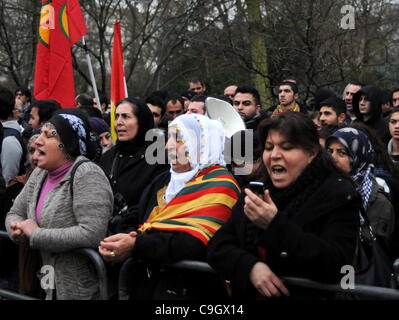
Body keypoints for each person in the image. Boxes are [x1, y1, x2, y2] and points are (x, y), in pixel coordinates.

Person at [207, 112, 361, 299]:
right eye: (269, 147)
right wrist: (250, 267)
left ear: (311, 153)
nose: (275, 156)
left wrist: (274, 225)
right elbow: (218, 246)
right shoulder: (256, 191)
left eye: (287, 148)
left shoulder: (339, 195)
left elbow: (335, 264)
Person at [99, 114, 240, 299]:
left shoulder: (221, 185)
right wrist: (127, 235)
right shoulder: (166, 180)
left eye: (178, 138)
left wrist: (136, 245)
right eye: (169, 138)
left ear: (202, 145)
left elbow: (192, 244)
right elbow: (139, 215)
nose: (167, 146)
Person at [5, 111, 113, 300]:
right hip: (47, 283)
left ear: (67, 144)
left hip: (81, 290)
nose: (38, 140)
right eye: (41, 133)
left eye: (49, 135)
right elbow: (15, 212)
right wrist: (16, 229)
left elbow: (92, 233)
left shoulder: (87, 174)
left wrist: (36, 235)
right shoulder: (39, 173)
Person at [99, 98, 168, 233]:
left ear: (141, 122)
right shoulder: (109, 156)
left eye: (126, 116)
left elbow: (154, 204)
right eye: (117, 116)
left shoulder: (159, 158)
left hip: (138, 235)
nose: (119, 122)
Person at [325, 127, 394, 241]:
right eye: (330, 151)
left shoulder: (379, 203)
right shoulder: (319, 186)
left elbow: (375, 251)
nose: (333, 158)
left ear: (359, 158)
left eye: (342, 153)